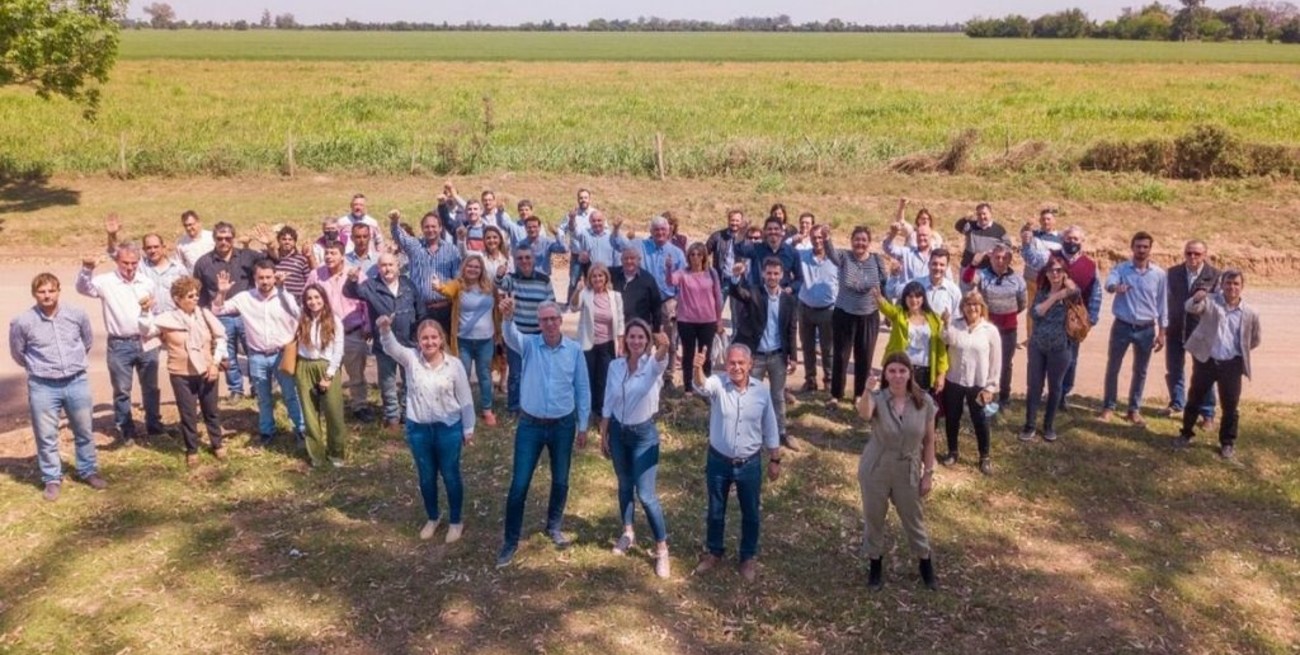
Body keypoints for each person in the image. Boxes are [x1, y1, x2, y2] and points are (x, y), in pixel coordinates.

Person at [496, 300, 591, 568]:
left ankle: (554, 525)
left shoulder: (573, 351)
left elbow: (583, 389)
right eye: (544, 320)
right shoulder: (529, 345)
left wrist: (583, 425)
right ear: (539, 324)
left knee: (561, 480)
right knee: (519, 485)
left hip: (563, 425)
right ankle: (510, 541)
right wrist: (507, 317)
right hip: (531, 425)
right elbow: (511, 335)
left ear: (561, 321)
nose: (549, 324)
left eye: (554, 319)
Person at [379, 313, 475, 542]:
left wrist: (468, 428)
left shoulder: (455, 365)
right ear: (418, 341)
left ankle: (455, 521)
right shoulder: (411, 359)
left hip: (448, 428)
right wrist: (384, 329)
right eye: (424, 338)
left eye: (434, 337)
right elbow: (392, 347)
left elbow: (465, 397)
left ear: (441, 339)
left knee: (451, 476)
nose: (429, 342)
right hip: (419, 429)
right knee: (426, 477)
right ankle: (433, 517)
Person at [10, 273, 105, 500]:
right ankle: (52, 478)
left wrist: (73, 363)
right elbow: (18, 353)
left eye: (51, 290)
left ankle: (88, 470)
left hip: (76, 381)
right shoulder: (23, 322)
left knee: (83, 430)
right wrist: (40, 369)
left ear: (58, 291)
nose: (47, 295)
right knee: (46, 435)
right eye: (42, 292)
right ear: (35, 294)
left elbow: (87, 341)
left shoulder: (76, 314)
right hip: (43, 386)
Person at [691, 343, 781, 583]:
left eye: (741, 363)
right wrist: (697, 369)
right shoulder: (719, 384)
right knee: (716, 509)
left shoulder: (761, 392)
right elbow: (701, 385)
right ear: (726, 364)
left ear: (750, 365)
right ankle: (714, 551)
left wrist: (775, 458)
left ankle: (748, 556)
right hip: (719, 461)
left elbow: (770, 426)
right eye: (732, 363)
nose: (736, 367)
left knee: (750, 512)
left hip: (749, 463)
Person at [855, 352, 939, 591]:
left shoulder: (924, 402)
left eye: (902, 371)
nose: (897, 376)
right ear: (885, 374)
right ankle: (875, 567)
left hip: (908, 467)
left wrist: (928, 473)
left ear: (910, 373)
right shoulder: (878, 397)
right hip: (877, 466)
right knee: (874, 517)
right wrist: (867, 390)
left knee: (914, 519)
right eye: (891, 371)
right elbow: (864, 414)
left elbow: (930, 441)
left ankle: (925, 566)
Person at [600, 321, 672, 578]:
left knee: (646, 494)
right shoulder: (615, 366)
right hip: (618, 433)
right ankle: (628, 532)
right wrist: (604, 431)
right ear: (626, 339)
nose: (636, 341)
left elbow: (662, 355)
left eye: (641, 337)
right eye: (632, 336)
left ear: (647, 341)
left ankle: (662, 549)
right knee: (624, 484)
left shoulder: (652, 365)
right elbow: (608, 399)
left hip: (644, 436)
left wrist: (663, 343)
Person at [76, 241, 164, 443]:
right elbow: (83, 288)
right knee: (122, 390)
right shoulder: (106, 282)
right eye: (125, 263)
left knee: (151, 387)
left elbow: (154, 311)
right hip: (119, 344)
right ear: (117, 261)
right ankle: (126, 430)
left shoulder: (146, 282)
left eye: (134, 263)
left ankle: (154, 426)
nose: (130, 267)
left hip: (146, 342)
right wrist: (87, 269)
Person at [212, 259, 305, 446]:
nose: (265, 281)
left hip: (282, 354)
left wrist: (283, 288)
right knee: (263, 397)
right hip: (257, 356)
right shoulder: (245, 298)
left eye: (269, 277)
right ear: (254, 278)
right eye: (261, 277)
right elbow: (217, 309)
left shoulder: (284, 296)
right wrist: (221, 293)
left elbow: (298, 314)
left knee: (290, 394)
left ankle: (301, 430)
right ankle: (267, 431)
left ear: (274, 276)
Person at [138, 276, 228, 467]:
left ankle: (217, 443)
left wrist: (214, 364)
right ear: (177, 299)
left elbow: (221, 338)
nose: (195, 298)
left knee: (211, 410)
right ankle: (192, 449)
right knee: (187, 413)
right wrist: (145, 312)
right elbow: (147, 330)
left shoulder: (204, 314)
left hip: (206, 370)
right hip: (181, 374)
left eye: (196, 294)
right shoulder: (167, 319)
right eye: (190, 296)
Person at [1173, 270, 1261, 460]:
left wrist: (1237, 354)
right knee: (1194, 399)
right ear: (1222, 285)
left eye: (1236, 284)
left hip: (1232, 365)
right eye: (1228, 283)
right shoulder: (1210, 301)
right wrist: (1197, 298)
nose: (1232, 287)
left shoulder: (1250, 312)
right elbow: (1190, 308)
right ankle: (1185, 434)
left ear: (1242, 287)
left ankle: (1227, 443)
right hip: (1207, 360)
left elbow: (1254, 340)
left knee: (1230, 406)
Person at [1023, 225, 1100, 411]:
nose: (1071, 242)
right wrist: (1026, 244)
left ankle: (1061, 395)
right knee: (1040, 357)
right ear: (1062, 239)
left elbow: (1096, 293)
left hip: (1072, 322)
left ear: (1082, 242)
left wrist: (1091, 319)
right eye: (1068, 238)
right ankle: (1038, 394)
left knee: (1071, 359)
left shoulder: (1090, 266)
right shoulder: (1050, 257)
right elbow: (1031, 258)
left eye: (1076, 239)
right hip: (1047, 319)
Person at [344, 253, 424, 431]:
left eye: (390, 265)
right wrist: (352, 280)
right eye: (383, 266)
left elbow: (420, 310)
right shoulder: (372, 285)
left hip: (408, 343)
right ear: (378, 268)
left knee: (409, 381)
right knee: (387, 382)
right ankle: (392, 416)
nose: (387, 269)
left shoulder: (408, 285)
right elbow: (350, 292)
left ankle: (407, 413)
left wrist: (419, 334)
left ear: (398, 266)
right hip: (384, 345)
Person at [730, 258, 798, 451]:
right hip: (756, 357)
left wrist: (793, 356)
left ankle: (781, 432)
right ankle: (750, 432)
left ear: (782, 275)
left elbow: (792, 329)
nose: (772, 277)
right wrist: (736, 277)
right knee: (750, 395)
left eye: (776, 273)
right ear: (763, 274)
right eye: (769, 273)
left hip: (778, 356)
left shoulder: (789, 300)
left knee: (778, 396)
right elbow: (737, 292)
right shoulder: (754, 293)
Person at [1100, 231, 1168, 426]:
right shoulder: (1121, 269)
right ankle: (1108, 406)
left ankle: (1133, 410)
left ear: (1150, 249)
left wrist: (1162, 332)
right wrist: (1116, 288)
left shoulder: (1159, 274)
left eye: (1145, 247)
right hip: (1122, 326)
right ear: (1132, 248)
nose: (1141, 250)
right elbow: (1109, 283)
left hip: (1146, 329)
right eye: (1138, 246)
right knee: (1113, 366)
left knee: (1141, 370)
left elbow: (1163, 304)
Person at [612, 215, 687, 390]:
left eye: (663, 230)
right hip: (643, 301)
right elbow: (619, 244)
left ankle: (668, 375)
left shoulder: (676, 253)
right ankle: (640, 372)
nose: (660, 233)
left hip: (667, 303)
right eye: (656, 230)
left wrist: (678, 302)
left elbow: (683, 279)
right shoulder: (640, 246)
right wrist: (616, 230)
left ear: (669, 231)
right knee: (642, 338)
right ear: (651, 231)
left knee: (667, 340)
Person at [193, 222, 260, 401]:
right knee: (227, 353)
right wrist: (203, 318)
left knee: (252, 351)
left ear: (233, 238)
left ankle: (257, 386)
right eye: (220, 238)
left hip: (246, 314)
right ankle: (236, 389)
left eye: (228, 238)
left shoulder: (247, 257)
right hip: (220, 316)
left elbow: (270, 262)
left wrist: (269, 245)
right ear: (214, 238)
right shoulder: (204, 263)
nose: (224, 241)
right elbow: (199, 293)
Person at [433, 256, 503, 427]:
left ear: (481, 270)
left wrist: (499, 333)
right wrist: (438, 286)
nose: (473, 269)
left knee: (484, 375)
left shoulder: (489, 287)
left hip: (485, 340)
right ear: (464, 268)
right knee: (461, 375)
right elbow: (447, 290)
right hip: (463, 340)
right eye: (469, 266)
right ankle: (462, 409)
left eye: (476, 267)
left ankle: (487, 409)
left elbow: (497, 310)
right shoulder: (458, 285)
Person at [307, 240, 372, 422]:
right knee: (326, 371)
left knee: (356, 373)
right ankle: (327, 405)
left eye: (333, 253)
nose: (329, 257)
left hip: (352, 332)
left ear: (342, 256)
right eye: (327, 253)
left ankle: (359, 405)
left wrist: (367, 326)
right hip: (326, 333)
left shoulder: (356, 274)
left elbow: (366, 301)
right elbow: (306, 299)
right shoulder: (316, 275)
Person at [825, 226, 888, 409]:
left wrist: (887, 310)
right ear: (851, 240)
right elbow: (831, 254)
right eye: (856, 239)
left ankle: (859, 395)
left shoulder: (877, 260)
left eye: (863, 240)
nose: (860, 243)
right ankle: (836, 394)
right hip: (844, 314)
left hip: (869, 315)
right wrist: (827, 238)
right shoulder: (844, 257)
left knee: (865, 357)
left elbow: (884, 285)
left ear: (869, 242)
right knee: (841, 356)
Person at [939, 291, 1001, 476]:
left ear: (982, 307)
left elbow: (996, 361)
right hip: (955, 380)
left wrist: (991, 387)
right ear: (962, 307)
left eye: (976, 304)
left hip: (978, 383)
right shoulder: (955, 326)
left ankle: (984, 456)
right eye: (968, 304)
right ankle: (952, 451)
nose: (972, 308)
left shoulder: (990, 331)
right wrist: (945, 323)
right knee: (952, 418)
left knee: (980, 420)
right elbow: (944, 339)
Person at [1020, 254, 1078, 443]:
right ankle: (1030, 425)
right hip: (1038, 346)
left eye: (1059, 270)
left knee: (1055, 388)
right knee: (1034, 386)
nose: (1054, 273)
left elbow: (1078, 295)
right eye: (1051, 270)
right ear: (1045, 273)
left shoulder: (1071, 294)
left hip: (1060, 348)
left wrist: (1067, 289)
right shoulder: (1041, 292)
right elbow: (1035, 314)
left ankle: (1048, 426)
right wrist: (1055, 297)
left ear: (1064, 273)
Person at [963, 242, 1026, 411]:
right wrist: (974, 263)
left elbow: (1022, 304)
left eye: (1004, 257)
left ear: (1009, 259)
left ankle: (1004, 397)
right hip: (987, 329)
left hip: (1008, 329)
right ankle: (981, 395)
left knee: (1005, 364)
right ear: (990, 258)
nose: (1000, 261)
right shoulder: (983, 275)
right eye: (996, 257)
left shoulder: (1017, 280)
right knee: (983, 362)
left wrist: (1007, 313)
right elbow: (966, 279)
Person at [1163, 239, 1219, 426]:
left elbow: (1221, 305)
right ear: (1184, 253)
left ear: (1205, 255)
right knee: (1174, 370)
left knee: (1203, 373)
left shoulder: (1215, 275)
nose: (1192, 257)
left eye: (1197, 253)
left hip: (1201, 332)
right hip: (1175, 328)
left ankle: (1207, 413)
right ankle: (1177, 403)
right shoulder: (1172, 273)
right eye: (1189, 253)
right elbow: (1163, 301)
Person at [496, 245, 557, 414]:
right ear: (515, 261)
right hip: (517, 335)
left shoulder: (544, 280)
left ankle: (536, 403)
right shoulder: (512, 278)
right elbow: (499, 283)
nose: (524, 261)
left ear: (534, 259)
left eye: (527, 257)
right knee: (516, 373)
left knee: (539, 372)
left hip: (539, 335)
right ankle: (514, 407)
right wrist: (500, 274)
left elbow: (551, 304)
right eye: (520, 258)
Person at [291, 284, 347, 467]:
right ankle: (316, 454)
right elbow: (287, 305)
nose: (313, 302)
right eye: (309, 298)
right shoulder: (302, 319)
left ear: (323, 298)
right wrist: (282, 287)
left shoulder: (334, 320)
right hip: (304, 366)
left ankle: (336, 453)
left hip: (326, 366)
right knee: (309, 413)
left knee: (333, 412)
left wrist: (329, 375)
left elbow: (338, 351)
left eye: (317, 297)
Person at [390, 209, 462, 337]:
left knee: (446, 348)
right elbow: (400, 237)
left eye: (434, 226)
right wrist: (395, 222)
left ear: (440, 228)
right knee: (421, 346)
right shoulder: (415, 246)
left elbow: (457, 279)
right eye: (427, 227)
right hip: (421, 309)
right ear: (422, 229)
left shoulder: (452, 250)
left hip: (446, 309)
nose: (430, 230)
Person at [570, 263, 624, 425]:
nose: (597, 279)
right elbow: (573, 307)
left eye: (600, 275)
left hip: (608, 344)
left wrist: (620, 343)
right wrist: (578, 290)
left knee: (604, 380)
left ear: (606, 277)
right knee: (587, 379)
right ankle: (587, 412)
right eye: (594, 276)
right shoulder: (585, 294)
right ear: (589, 279)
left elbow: (620, 320)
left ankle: (601, 413)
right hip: (588, 344)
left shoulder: (615, 296)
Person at [669, 243, 723, 395]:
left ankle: (705, 387)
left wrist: (719, 320)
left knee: (706, 354)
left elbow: (718, 297)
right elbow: (671, 281)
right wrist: (668, 268)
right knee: (688, 354)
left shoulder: (711, 273)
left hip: (708, 319)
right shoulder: (683, 273)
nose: (695, 258)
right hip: (686, 320)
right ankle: (688, 388)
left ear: (704, 256)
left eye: (699, 254)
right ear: (688, 257)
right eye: (692, 254)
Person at [876, 282, 948, 394]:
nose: (914, 300)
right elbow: (886, 308)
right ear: (905, 298)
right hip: (901, 368)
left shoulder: (934, 319)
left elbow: (941, 349)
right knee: (897, 404)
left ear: (923, 298)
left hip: (925, 371)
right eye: (910, 296)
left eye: (917, 296)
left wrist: (941, 374)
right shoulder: (898, 314)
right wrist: (879, 298)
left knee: (919, 406)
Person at [796, 224, 838, 392]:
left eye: (820, 238)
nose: (817, 241)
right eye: (814, 238)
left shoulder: (836, 258)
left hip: (828, 310)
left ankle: (829, 379)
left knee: (828, 348)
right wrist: (794, 239)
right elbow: (784, 250)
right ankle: (810, 379)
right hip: (805, 307)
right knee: (807, 347)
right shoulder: (802, 255)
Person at [611, 247, 662, 332]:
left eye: (632, 258)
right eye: (626, 258)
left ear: (639, 260)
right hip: (615, 327)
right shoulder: (612, 274)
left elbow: (656, 306)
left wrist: (656, 329)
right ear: (621, 260)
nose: (629, 261)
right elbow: (595, 273)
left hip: (639, 329)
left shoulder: (648, 279)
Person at [253, 224, 311, 298]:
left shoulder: (302, 259)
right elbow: (272, 251)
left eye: (290, 239)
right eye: (284, 239)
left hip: (297, 301)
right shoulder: (272, 258)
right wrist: (269, 244)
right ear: (279, 241)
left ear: (295, 241)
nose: (287, 242)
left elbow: (308, 281)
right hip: (276, 300)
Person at [953, 202, 1006, 270]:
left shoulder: (999, 230)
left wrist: (992, 253)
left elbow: (1007, 246)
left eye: (984, 214)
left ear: (990, 214)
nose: (982, 217)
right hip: (968, 266)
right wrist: (965, 219)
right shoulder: (971, 226)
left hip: (989, 269)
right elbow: (958, 227)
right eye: (979, 214)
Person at [921, 249, 962, 320]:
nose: (938, 268)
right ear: (928, 265)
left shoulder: (954, 291)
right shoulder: (917, 285)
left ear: (947, 267)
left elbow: (957, 319)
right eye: (934, 264)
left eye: (942, 265)